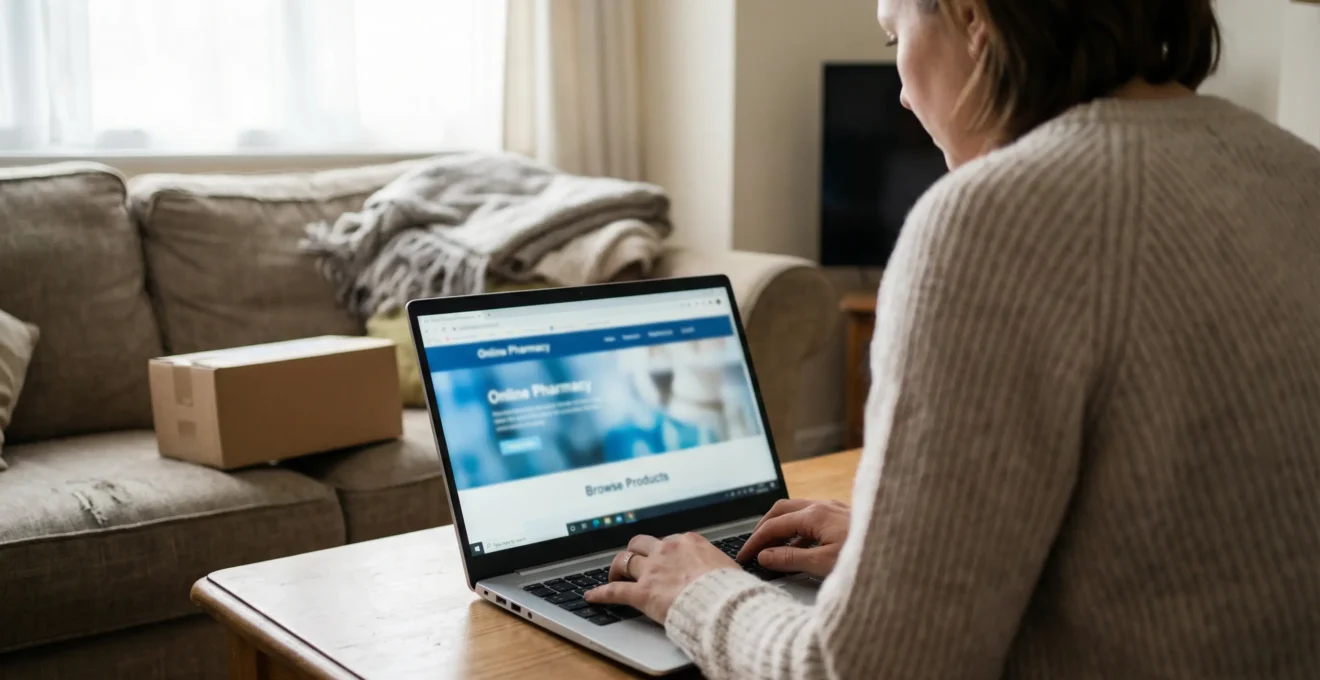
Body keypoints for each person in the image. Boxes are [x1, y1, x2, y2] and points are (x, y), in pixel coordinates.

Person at [586, 0, 1320, 677]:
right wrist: (903, 549)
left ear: (971, 15)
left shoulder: (989, 222)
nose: (902, 93)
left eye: (894, 35)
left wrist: (699, 591)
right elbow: (1166, 545)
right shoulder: (1298, 173)